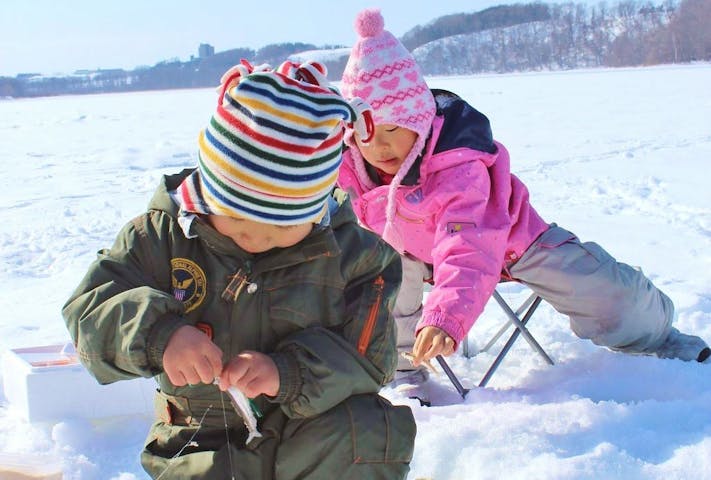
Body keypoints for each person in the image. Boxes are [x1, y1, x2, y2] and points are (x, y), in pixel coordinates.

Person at [62, 60, 416, 479]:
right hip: (201, 438)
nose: (255, 238)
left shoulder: (353, 257)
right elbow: (89, 312)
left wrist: (286, 373)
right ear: (208, 191)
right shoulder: (160, 236)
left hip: (311, 433)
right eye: (237, 217)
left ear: (316, 209)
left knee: (365, 428)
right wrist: (160, 335)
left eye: (281, 226)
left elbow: (370, 357)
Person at [336, 8, 710, 385]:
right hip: (417, 254)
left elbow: (467, 244)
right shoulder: (350, 170)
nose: (379, 146)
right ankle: (400, 368)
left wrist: (445, 317)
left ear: (417, 119)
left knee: (609, 294)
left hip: (513, 241)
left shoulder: (457, 166)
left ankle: (661, 335)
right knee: (386, 267)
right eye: (366, 134)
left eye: (392, 129)